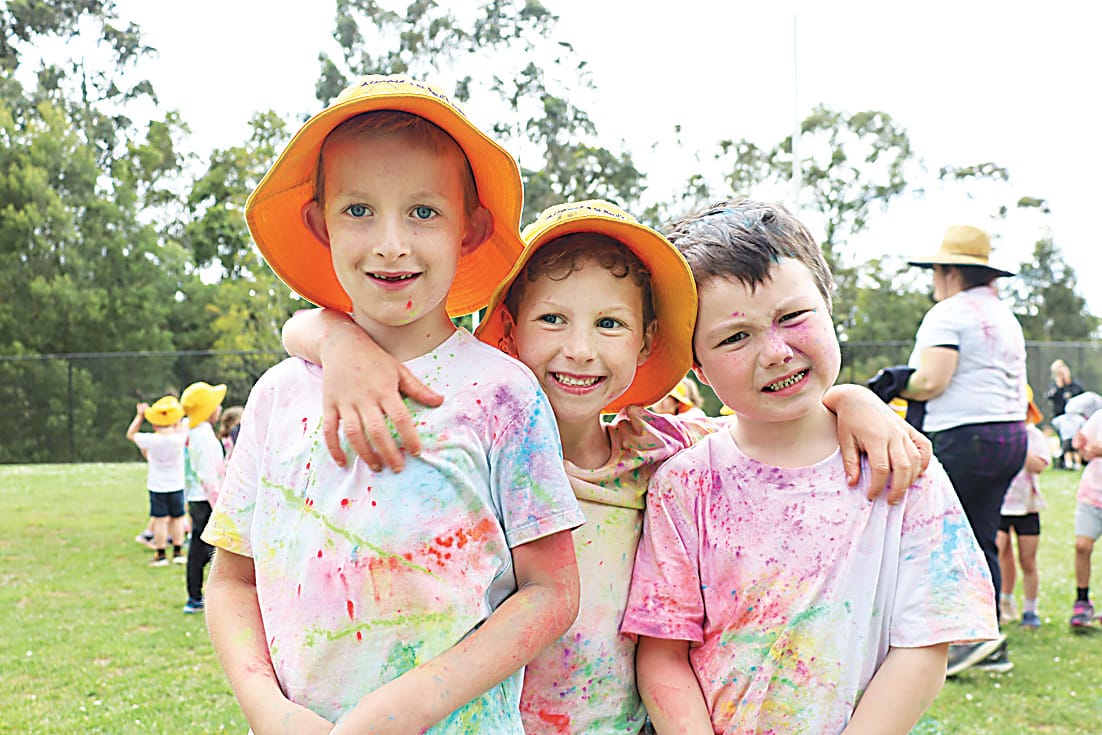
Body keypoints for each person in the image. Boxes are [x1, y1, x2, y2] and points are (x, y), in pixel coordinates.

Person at [282, 198, 933, 734]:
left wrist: (852, 400)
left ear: (647, 339)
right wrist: (332, 336)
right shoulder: (465, 444)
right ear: (508, 327)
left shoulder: (661, 452)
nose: (581, 349)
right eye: (553, 319)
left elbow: (770, 427)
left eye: (610, 323)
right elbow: (312, 333)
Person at [201, 75, 585, 734]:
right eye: (358, 210)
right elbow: (231, 580)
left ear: (470, 228)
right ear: (321, 225)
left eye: (423, 211)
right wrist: (268, 710)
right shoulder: (276, 396)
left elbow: (552, 592)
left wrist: (408, 707)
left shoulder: (505, 396)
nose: (390, 243)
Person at [621, 200, 996, 735]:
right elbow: (662, 654)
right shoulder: (684, 483)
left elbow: (923, 647)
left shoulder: (903, 468)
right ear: (696, 366)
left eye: (792, 317)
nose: (775, 352)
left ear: (828, 304)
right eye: (734, 336)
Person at [898, 224, 1028, 675]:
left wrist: (896, 381)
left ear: (951, 271)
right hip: (1011, 435)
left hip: (964, 435)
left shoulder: (948, 313)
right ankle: (986, 639)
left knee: (946, 537)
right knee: (981, 533)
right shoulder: (1004, 315)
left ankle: (963, 639)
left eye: (937, 269)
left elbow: (932, 380)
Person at [996, 387, 1049, 632]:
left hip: (1027, 507)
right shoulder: (996, 435)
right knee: (999, 551)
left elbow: (1038, 466)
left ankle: (1030, 609)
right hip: (1001, 504)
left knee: (1027, 560)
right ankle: (1004, 603)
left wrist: (1018, 445)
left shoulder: (1033, 436)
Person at [179, 381, 227, 615]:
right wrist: (220, 506)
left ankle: (198, 595)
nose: (219, 408)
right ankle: (195, 596)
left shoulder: (197, 433)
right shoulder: (203, 438)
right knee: (203, 550)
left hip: (200, 499)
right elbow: (209, 477)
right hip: (206, 500)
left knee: (202, 549)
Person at [126, 396, 188, 566]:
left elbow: (130, 434)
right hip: (177, 485)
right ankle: (178, 552)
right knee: (177, 518)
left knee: (160, 520)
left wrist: (140, 415)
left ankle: (160, 554)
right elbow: (186, 423)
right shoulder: (179, 438)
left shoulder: (151, 439)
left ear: (154, 424)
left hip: (157, 485)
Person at [1070, 404, 1102, 628]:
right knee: (1082, 546)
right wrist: (1081, 446)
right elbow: (1085, 452)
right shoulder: (1098, 418)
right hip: (1093, 492)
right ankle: (1082, 602)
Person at [1045, 359, 1084, 469]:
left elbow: (1081, 395)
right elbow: (1050, 396)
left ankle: (1077, 461)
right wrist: (1059, 387)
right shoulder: (1055, 387)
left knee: (1074, 439)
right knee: (1065, 439)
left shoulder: (1075, 385)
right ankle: (1065, 461)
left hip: (1075, 418)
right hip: (1060, 418)